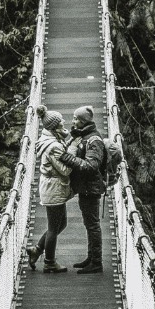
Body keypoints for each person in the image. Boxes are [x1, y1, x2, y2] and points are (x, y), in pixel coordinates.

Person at [61, 104, 106, 274]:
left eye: (75, 119)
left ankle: (96, 263)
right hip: (86, 187)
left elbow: (91, 166)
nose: (72, 121)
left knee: (93, 225)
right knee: (89, 224)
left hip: (91, 188)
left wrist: (68, 159)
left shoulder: (94, 141)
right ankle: (91, 258)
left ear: (83, 121)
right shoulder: (85, 136)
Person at [27, 109, 73, 273]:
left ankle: (37, 250)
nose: (63, 123)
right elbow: (65, 170)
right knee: (54, 227)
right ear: (54, 127)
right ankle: (49, 262)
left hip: (52, 186)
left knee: (62, 224)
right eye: (60, 122)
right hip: (54, 188)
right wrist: (75, 159)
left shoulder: (50, 138)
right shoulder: (53, 146)